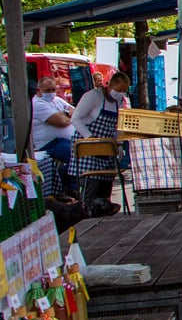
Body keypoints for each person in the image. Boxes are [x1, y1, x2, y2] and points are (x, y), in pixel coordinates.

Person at [69, 70, 131, 213]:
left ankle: (104, 210)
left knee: (105, 183)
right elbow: (75, 119)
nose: (121, 93)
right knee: (92, 184)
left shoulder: (119, 101)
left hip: (106, 148)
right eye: (119, 89)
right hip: (88, 148)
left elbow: (118, 126)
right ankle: (88, 212)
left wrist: (120, 144)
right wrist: (90, 138)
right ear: (110, 85)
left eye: (124, 91)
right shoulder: (92, 97)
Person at [31, 78, 76, 193]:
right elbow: (61, 122)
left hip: (65, 140)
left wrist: (64, 115)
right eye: (48, 90)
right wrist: (66, 114)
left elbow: (76, 112)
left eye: (53, 89)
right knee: (76, 159)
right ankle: (70, 188)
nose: (51, 93)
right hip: (49, 144)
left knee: (85, 155)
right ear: (39, 90)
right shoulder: (37, 104)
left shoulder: (57, 100)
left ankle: (68, 184)